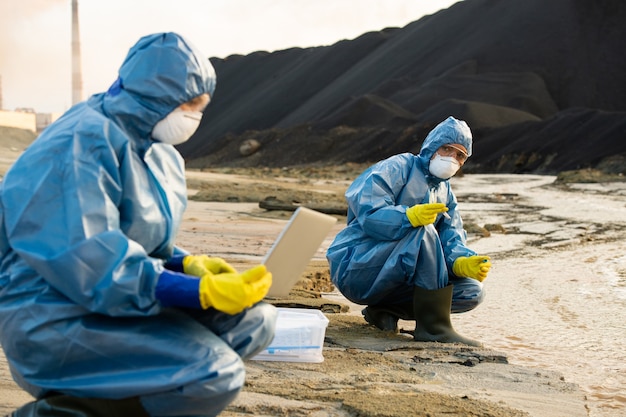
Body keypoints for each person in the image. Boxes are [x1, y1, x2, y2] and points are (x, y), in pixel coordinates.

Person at [0, 32, 277, 416]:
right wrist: (194, 291)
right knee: (215, 372)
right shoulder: (77, 146)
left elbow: (141, 243)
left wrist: (186, 266)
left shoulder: (157, 152)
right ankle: (61, 410)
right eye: (188, 105)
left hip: (117, 299)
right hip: (53, 315)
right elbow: (91, 264)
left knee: (254, 320)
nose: (193, 117)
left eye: (200, 107)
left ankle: (104, 398)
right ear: (156, 98)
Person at [326, 116, 491, 347]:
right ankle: (433, 328)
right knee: (423, 231)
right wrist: (407, 217)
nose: (452, 158)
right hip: (358, 264)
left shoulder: (445, 193)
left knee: (472, 291)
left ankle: (384, 310)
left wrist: (460, 262)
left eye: (460, 155)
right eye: (447, 149)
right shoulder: (398, 167)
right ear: (433, 146)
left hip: (394, 276)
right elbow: (366, 208)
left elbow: (451, 237)